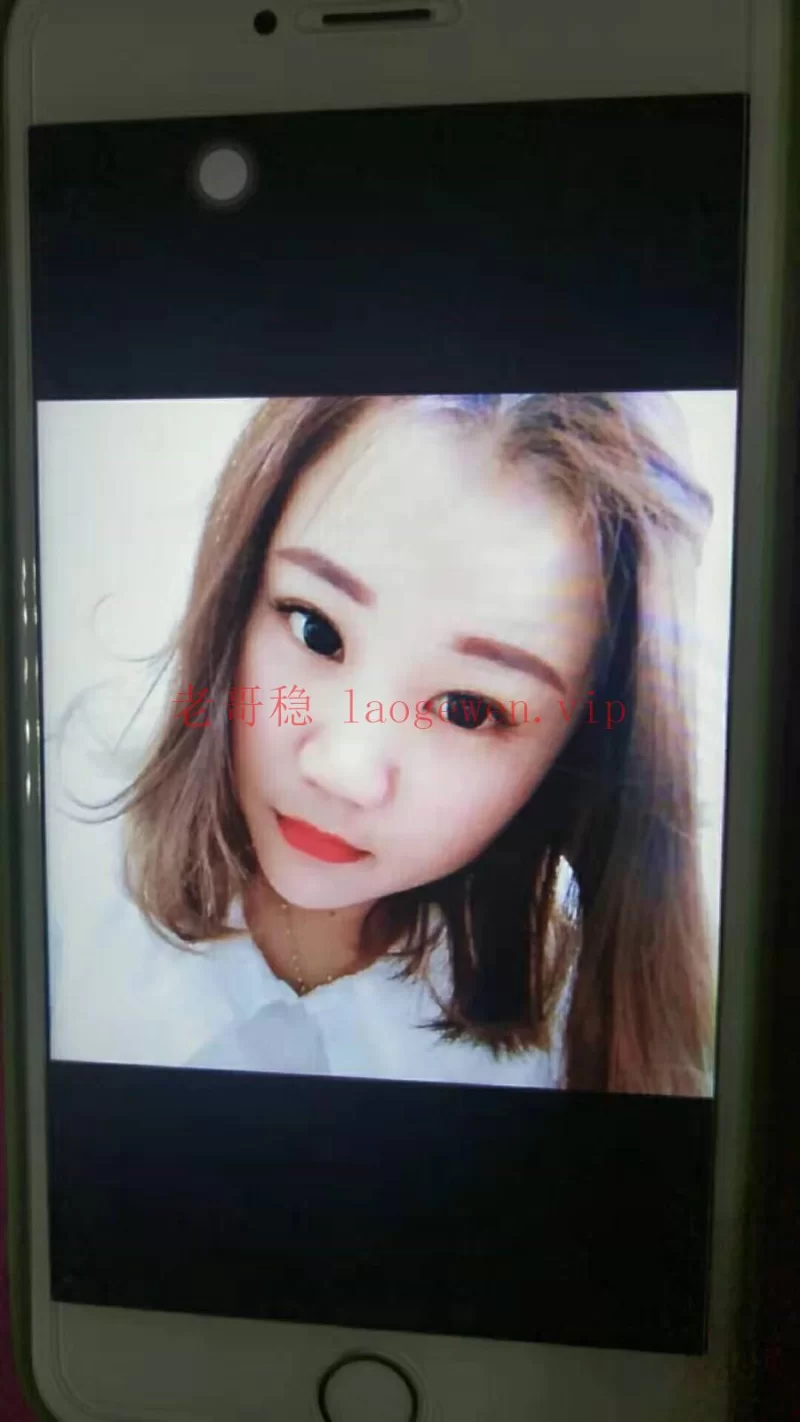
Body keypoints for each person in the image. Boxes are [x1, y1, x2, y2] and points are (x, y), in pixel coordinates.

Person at [59, 393, 716, 1095]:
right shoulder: (65, 865)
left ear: (576, 751)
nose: (343, 766)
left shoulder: (588, 1039)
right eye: (315, 629)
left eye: (467, 709)